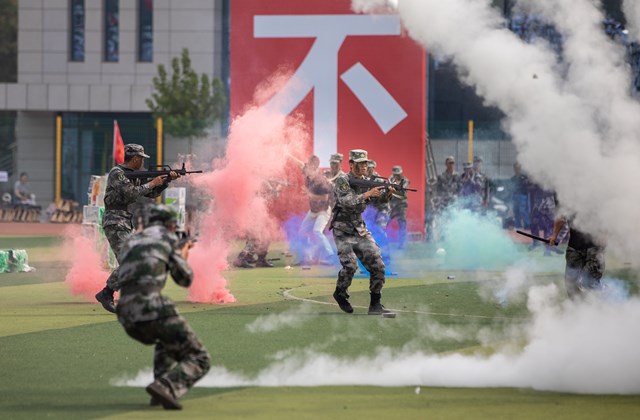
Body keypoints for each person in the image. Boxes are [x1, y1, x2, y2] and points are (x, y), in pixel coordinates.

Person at [115, 204, 210, 410]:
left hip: (125, 313)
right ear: (170, 224)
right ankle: (166, 386)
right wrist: (182, 252)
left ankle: (158, 394)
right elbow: (185, 279)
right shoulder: (168, 239)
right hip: (151, 308)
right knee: (200, 358)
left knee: (166, 342)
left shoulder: (131, 241)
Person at [95, 144, 178, 313]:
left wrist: (165, 181)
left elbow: (151, 194)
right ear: (134, 158)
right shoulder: (117, 173)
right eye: (141, 158)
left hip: (124, 221)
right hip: (115, 221)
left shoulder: (133, 175)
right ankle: (107, 293)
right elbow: (131, 193)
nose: (142, 162)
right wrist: (152, 183)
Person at [330, 149, 393, 315]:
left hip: (359, 229)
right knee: (350, 266)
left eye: (365, 163)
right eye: (360, 163)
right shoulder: (343, 180)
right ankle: (340, 293)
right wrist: (367, 194)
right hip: (342, 229)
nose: (364, 166)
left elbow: (378, 202)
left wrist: (387, 194)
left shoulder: (366, 181)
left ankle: (375, 304)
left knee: (378, 264)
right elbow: (346, 201)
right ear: (351, 164)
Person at [289, 154, 335, 265]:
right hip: (313, 211)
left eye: (309, 165)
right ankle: (306, 258)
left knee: (317, 231)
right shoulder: (308, 172)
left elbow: (324, 198)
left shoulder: (320, 180)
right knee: (302, 232)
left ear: (314, 167)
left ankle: (330, 255)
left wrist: (309, 194)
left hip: (323, 211)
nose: (306, 167)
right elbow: (300, 164)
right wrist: (288, 155)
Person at [548, 215, 606, 300]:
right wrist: (554, 236)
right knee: (571, 284)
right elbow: (561, 216)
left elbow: (605, 215)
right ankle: (578, 307)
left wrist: (604, 236)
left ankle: (605, 297)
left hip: (594, 247)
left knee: (589, 282)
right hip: (574, 247)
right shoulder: (567, 205)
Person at [388, 165, 410, 249]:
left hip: (401, 205)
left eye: (398, 174)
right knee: (385, 222)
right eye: (395, 174)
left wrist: (394, 189)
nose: (396, 176)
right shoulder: (390, 179)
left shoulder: (405, 180)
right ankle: (384, 242)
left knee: (402, 224)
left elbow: (403, 192)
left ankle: (402, 244)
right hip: (391, 205)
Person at [510, 163, 530, 229]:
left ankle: (527, 225)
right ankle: (518, 225)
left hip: (522, 196)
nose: (517, 169)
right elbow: (511, 188)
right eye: (516, 168)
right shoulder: (512, 178)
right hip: (515, 196)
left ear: (520, 168)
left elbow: (527, 186)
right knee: (516, 211)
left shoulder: (524, 177)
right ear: (514, 169)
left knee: (523, 211)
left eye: (518, 168)